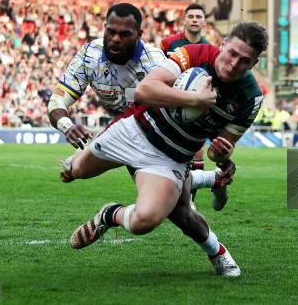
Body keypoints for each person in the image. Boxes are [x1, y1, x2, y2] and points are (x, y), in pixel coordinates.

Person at [67, 21, 268, 277]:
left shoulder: (251, 97)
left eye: (244, 61)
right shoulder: (196, 54)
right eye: (232, 54)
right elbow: (143, 90)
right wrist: (195, 99)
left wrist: (220, 152)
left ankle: (110, 214)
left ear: (254, 64)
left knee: (148, 220)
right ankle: (211, 183)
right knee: (74, 170)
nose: (233, 64)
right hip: (135, 130)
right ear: (223, 44)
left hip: (170, 157)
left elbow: (217, 151)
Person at [47, 3, 226, 196]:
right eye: (111, 32)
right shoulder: (90, 55)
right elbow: (56, 101)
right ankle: (213, 179)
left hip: (152, 130)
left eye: (124, 34)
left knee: (175, 204)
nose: (115, 39)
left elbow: (183, 105)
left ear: (139, 34)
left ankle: (209, 180)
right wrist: (68, 126)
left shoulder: (155, 62)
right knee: (75, 170)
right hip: (120, 127)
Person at [160, 3, 227, 210]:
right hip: (173, 104)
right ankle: (214, 180)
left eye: (199, 16)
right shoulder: (168, 44)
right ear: (185, 20)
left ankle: (189, 202)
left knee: (197, 152)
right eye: (192, 16)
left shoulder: (211, 49)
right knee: (173, 155)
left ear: (204, 21)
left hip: (200, 107)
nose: (195, 19)